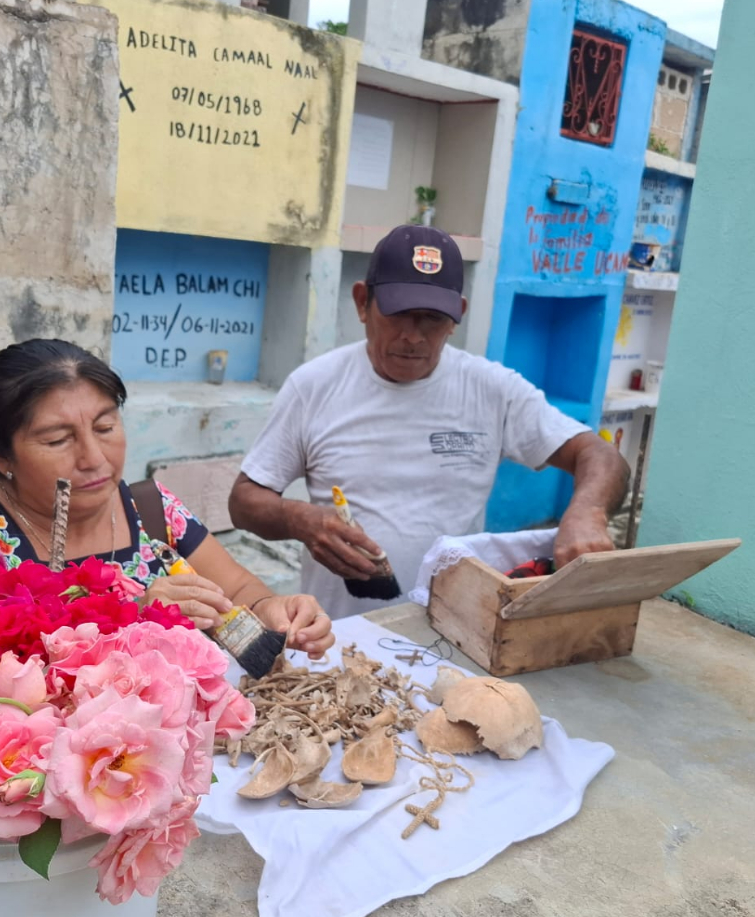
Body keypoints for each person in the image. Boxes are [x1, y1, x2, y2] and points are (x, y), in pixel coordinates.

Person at [228, 225, 631, 620]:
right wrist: (300, 520)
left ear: (458, 317)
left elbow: (597, 453)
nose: (414, 336)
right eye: (400, 314)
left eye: (432, 319)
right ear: (362, 302)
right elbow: (245, 501)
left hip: (454, 628)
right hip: (338, 636)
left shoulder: (492, 389)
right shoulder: (314, 386)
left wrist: (587, 512)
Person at [0, 338, 333, 657]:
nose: (94, 458)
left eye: (104, 428)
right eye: (57, 440)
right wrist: (137, 618)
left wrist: (271, 609)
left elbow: (238, 588)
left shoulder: (151, 511)